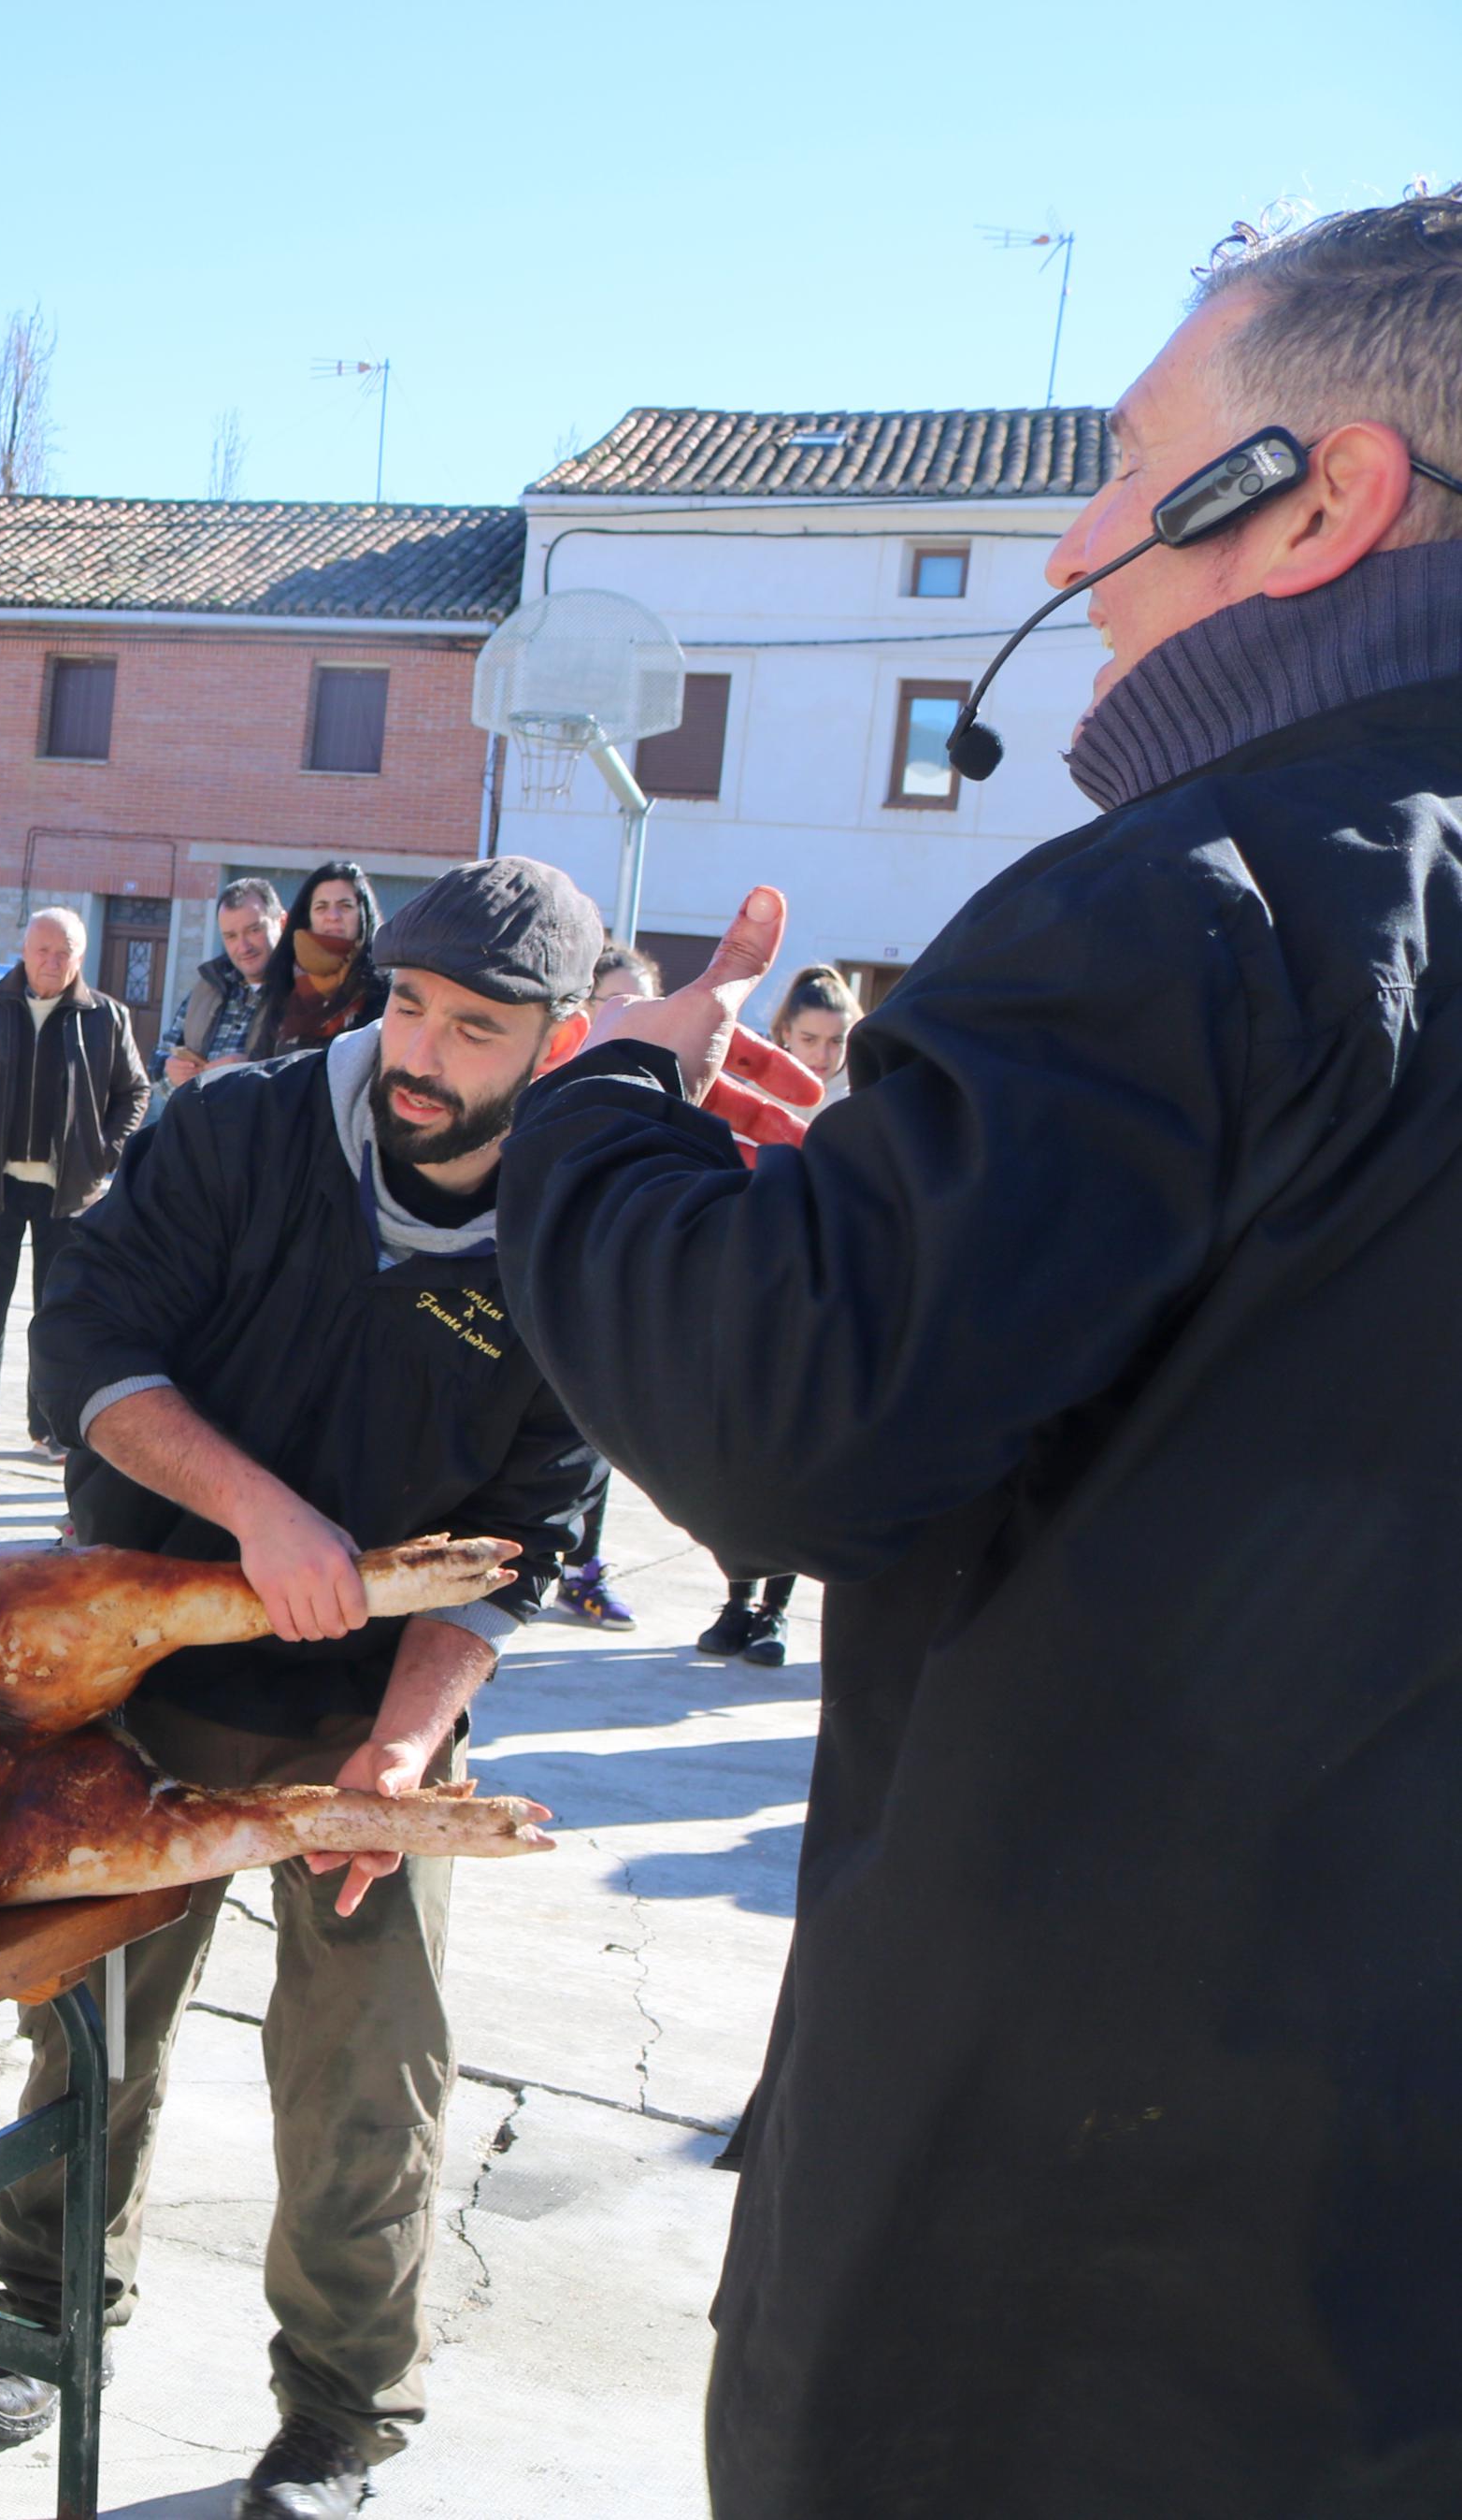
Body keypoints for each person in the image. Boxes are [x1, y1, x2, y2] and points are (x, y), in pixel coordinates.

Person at [493, 196, 1462, 2516]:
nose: (1073, 534)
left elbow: (782, 1420)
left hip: (1088, 2291)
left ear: (1314, 501)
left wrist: (600, 1115)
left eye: (1130, 468)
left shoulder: (1197, 894)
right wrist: (896, 1186)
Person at [0, 857, 608, 2519]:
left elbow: (531, 1529)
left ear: (556, 1040)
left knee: (365, 2076)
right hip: (151, 1669)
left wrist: (400, 1751)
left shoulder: (570, 1231)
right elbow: (87, 1352)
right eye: (406, 1002)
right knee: (89, 2024)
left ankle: (336, 2413)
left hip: (370, 1719)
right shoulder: (239, 1132)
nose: (421, 1050)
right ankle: (39, 2308)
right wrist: (259, 1513)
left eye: (473, 1028)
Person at [0, 907, 148, 1456]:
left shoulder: (106, 1017)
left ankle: (51, 1426)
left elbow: (134, 1092)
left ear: (80, 956)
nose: (51, 960)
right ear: (24, 951)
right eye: (42, 949)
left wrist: (102, 1158)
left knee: (57, 1316)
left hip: (68, 1195)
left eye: (63, 951)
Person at [537, 944, 665, 1634]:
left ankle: (582, 1567)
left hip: (609, 1299)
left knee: (593, 1438)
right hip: (534, 1296)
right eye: (614, 1001)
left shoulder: (666, 1095)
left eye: (644, 1001)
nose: (632, 1015)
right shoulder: (546, 1088)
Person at [245, 861, 386, 1058]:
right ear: (307, 917)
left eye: (345, 906)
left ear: (363, 915)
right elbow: (260, 1062)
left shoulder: (383, 989)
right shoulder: (283, 980)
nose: (333, 916)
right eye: (321, 907)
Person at [157, 874, 287, 1087]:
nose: (243, 947)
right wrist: (170, 1070)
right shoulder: (208, 986)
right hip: (196, 1119)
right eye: (231, 936)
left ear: (282, 923)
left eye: (254, 930)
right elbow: (159, 1057)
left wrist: (252, 1070)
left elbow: (314, 1078)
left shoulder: (304, 991)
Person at [768, 962, 859, 1091]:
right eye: (809, 1040)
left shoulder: (864, 1100)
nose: (822, 1056)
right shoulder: (755, 1096)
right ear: (786, 1033)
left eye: (836, 1041)